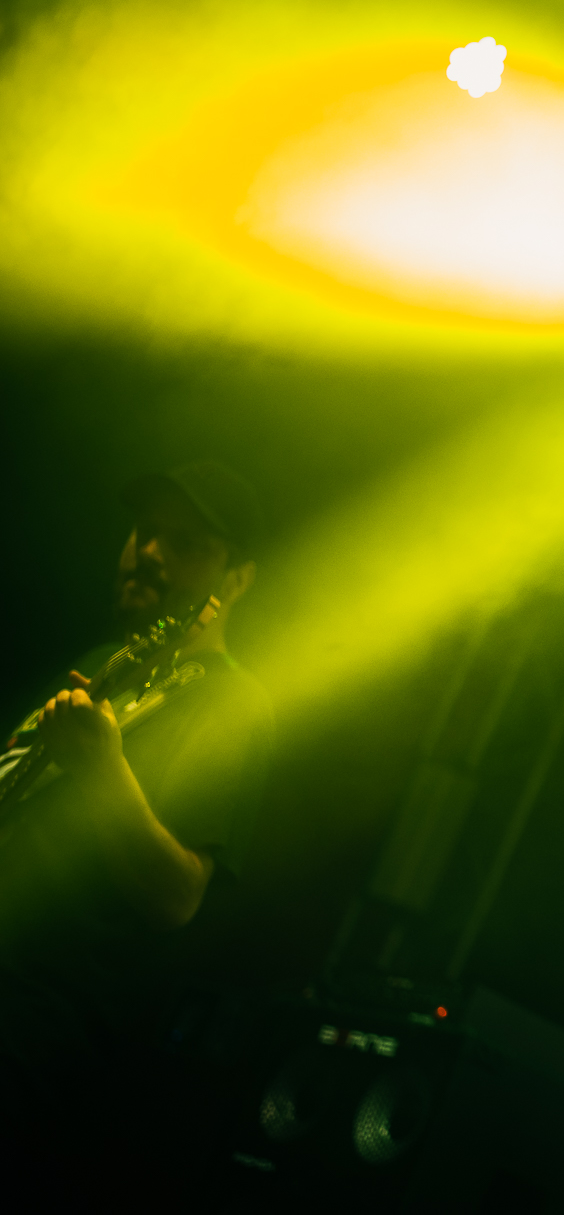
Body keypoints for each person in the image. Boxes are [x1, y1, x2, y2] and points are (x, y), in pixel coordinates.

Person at [0, 461, 274, 1181]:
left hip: (29, 1024)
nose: (149, 552)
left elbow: (178, 895)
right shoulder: (103, 664)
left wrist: (101, 768)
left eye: (185, 543)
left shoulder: (230, 702)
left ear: (238, 579)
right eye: (145, 531)